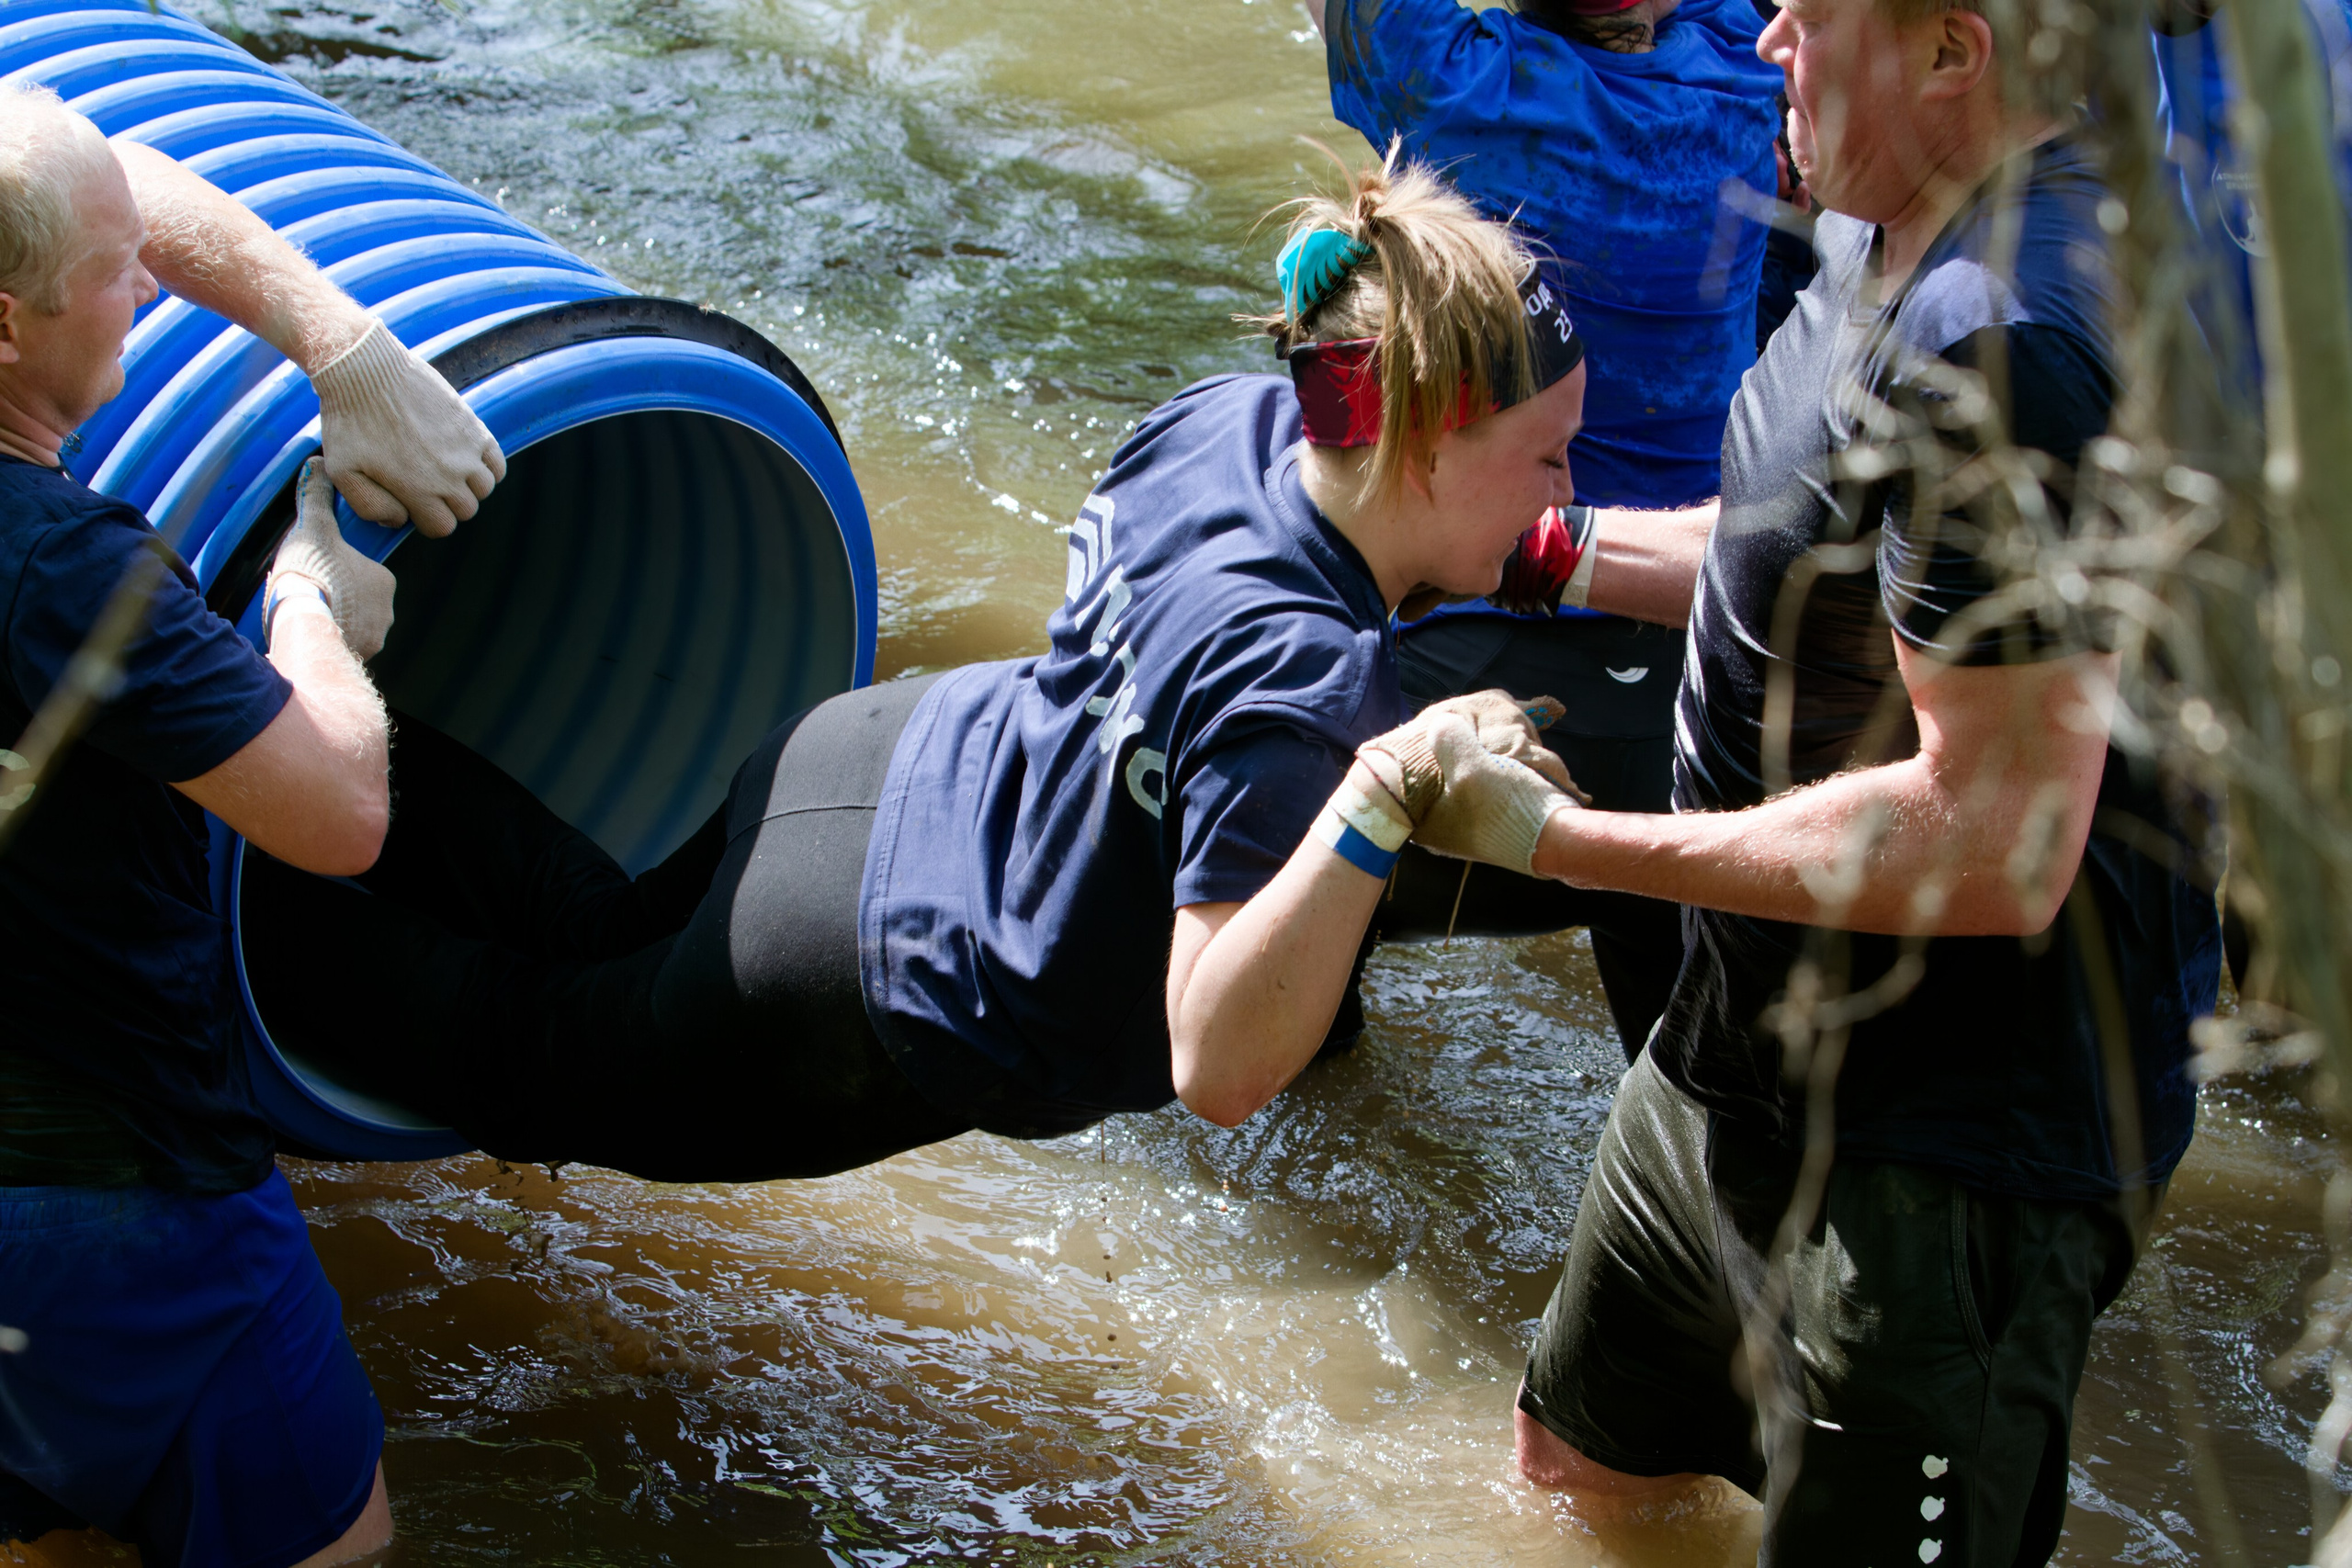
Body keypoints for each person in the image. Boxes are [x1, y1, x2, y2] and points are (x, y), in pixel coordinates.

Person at [1314, 0, 2222, 1560]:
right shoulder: (1896, 228)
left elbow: (1999, 838)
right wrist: (1524, 546)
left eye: (1815, 7)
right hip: (1730, 1067)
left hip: (1938, 1176)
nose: (1768, 34)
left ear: (1956, 52)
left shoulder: (2008, 340)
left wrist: (1569, 842)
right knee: (1576, 1469)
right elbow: (1807, 547)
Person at [239, 151, 1589, 1181]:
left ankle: (273, 736)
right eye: (1546, 457)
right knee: (514, 1057)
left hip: (869, 759)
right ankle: (191, 887)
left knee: (590, 935)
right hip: (855, 981)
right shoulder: (1308, 690)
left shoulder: (1232, 423)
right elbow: (1221, 1063)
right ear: (1425, 444)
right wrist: (1381, 798)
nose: (1561, 493)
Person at [0, 83, 503, 1567]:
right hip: (138, 1206)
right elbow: (340, 815)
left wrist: (344, 347)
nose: (147, 283)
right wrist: (309, 603)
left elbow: (98, 181)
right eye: (115, 272)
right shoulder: (69, 571)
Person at [1304, 0, 1786, 1055]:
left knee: (1265, 847)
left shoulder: (1462, 82)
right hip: (1700, 701)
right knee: (1690, 1092)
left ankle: (1311, 1035)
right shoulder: (1749, 68)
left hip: (1470, 697)